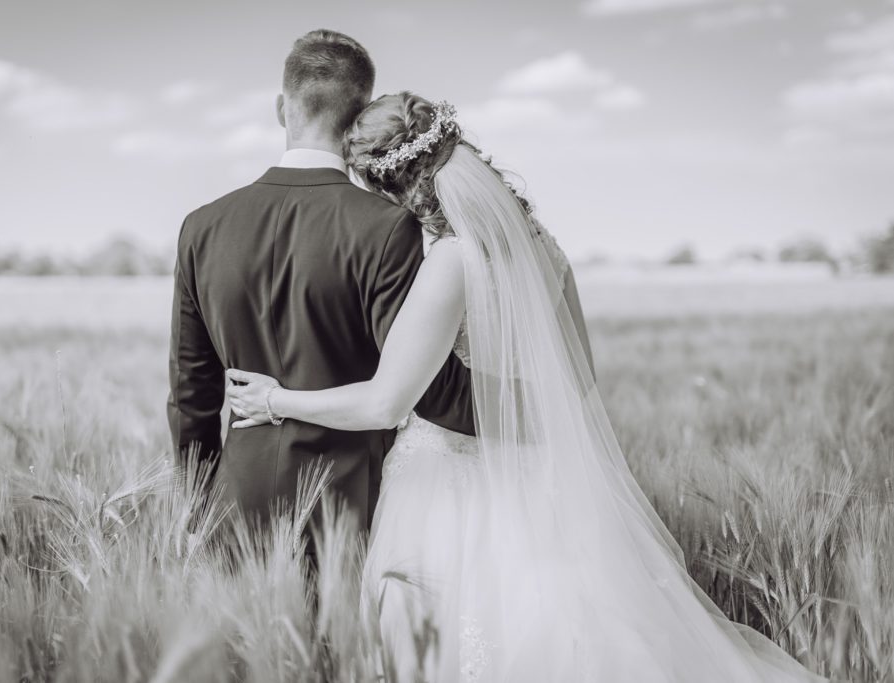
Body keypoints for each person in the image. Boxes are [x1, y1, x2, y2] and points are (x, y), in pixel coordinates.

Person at [225, 93, 826, 681]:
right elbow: (577, 383)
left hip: (448, 495)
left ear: (391, 186)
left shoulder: (451, 263)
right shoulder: (547, 249)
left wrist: (273, 399)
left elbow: (385, 403)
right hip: (544, 490)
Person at [166, 31, 475, 538]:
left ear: (281, 109)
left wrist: (194, 509)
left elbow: (191, 394)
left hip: (233, 505)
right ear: (359, 118)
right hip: (353, 504)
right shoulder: (387, 226)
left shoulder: (201, 226)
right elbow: (432, 393)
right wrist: (541, 409)